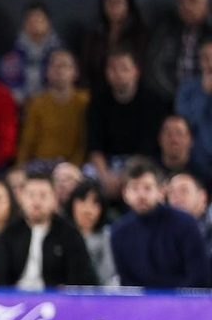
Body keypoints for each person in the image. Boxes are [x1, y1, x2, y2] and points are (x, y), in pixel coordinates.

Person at [108, 159, 210, 288]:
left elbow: (198, 277)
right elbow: (127, 282)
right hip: (141, 305)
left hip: (183, 303)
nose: (141, 195)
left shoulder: (185, 223)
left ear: (161, 190)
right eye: (134, 188)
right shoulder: (119, 231)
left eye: (147, 188)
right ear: (125, 194)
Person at [87, 49, 173, 198]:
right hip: (106, 165)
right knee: (85, 180)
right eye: (113, 68)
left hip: (141, 162)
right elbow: (94, 146)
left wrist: (123, 177)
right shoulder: (98, 100)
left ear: (136, 71)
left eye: (124, 68)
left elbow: (147, 148)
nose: (118, 74)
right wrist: (106, 177)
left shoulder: (152, 101)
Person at [17, 48, 89, 167]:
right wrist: (19, 167)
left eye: (64, 65)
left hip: (73, 165)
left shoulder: (84, 102)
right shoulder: (36, 103)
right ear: (46, 72)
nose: (59, 70)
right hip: (40, 164)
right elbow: (27, 142)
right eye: (54, 65)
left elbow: (84, 142)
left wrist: (73, 166)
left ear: (75, 72)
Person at [148, 0, 212, 99]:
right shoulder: (165, 30)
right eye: (181, 2)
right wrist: (178, 95)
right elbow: (155, 66)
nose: (186, 6)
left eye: (193, 1)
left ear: (206, 7)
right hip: (169, 96)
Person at [80, 0, 148, 88]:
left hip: (131, 91)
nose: (113, 5)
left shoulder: (140, 34)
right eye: (109, 1)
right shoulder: (93, 34)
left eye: (118, 1)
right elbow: (85, 69)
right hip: (97, 91)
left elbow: (143, 67)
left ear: (128, 5)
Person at [3, 2, 63, 103]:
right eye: (30, 21)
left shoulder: (59, 53)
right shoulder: (13, 55)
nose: (35, 25)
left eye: (39, 20)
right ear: (24, 24)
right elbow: (8, 84)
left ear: (48, 23)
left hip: (52, 103)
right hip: (21, 104)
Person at [65, 178, 119, 286]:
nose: (87, 210)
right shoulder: (60, 234)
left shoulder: (107, 237)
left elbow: (107, 277)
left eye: (95, 203)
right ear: (72, 204)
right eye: (82, 200)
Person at [176, 39, 212, 174]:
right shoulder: (187, 89)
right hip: (195, 158)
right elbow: (186, 124)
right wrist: (204, 94)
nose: (210, 62)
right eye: (206, 58)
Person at [159, 113, 212, 183]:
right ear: (160, 138)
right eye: (169, 133)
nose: (174, 139)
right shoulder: (149, 173)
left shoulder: (204, 176)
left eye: (179, 133)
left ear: (190, 139)